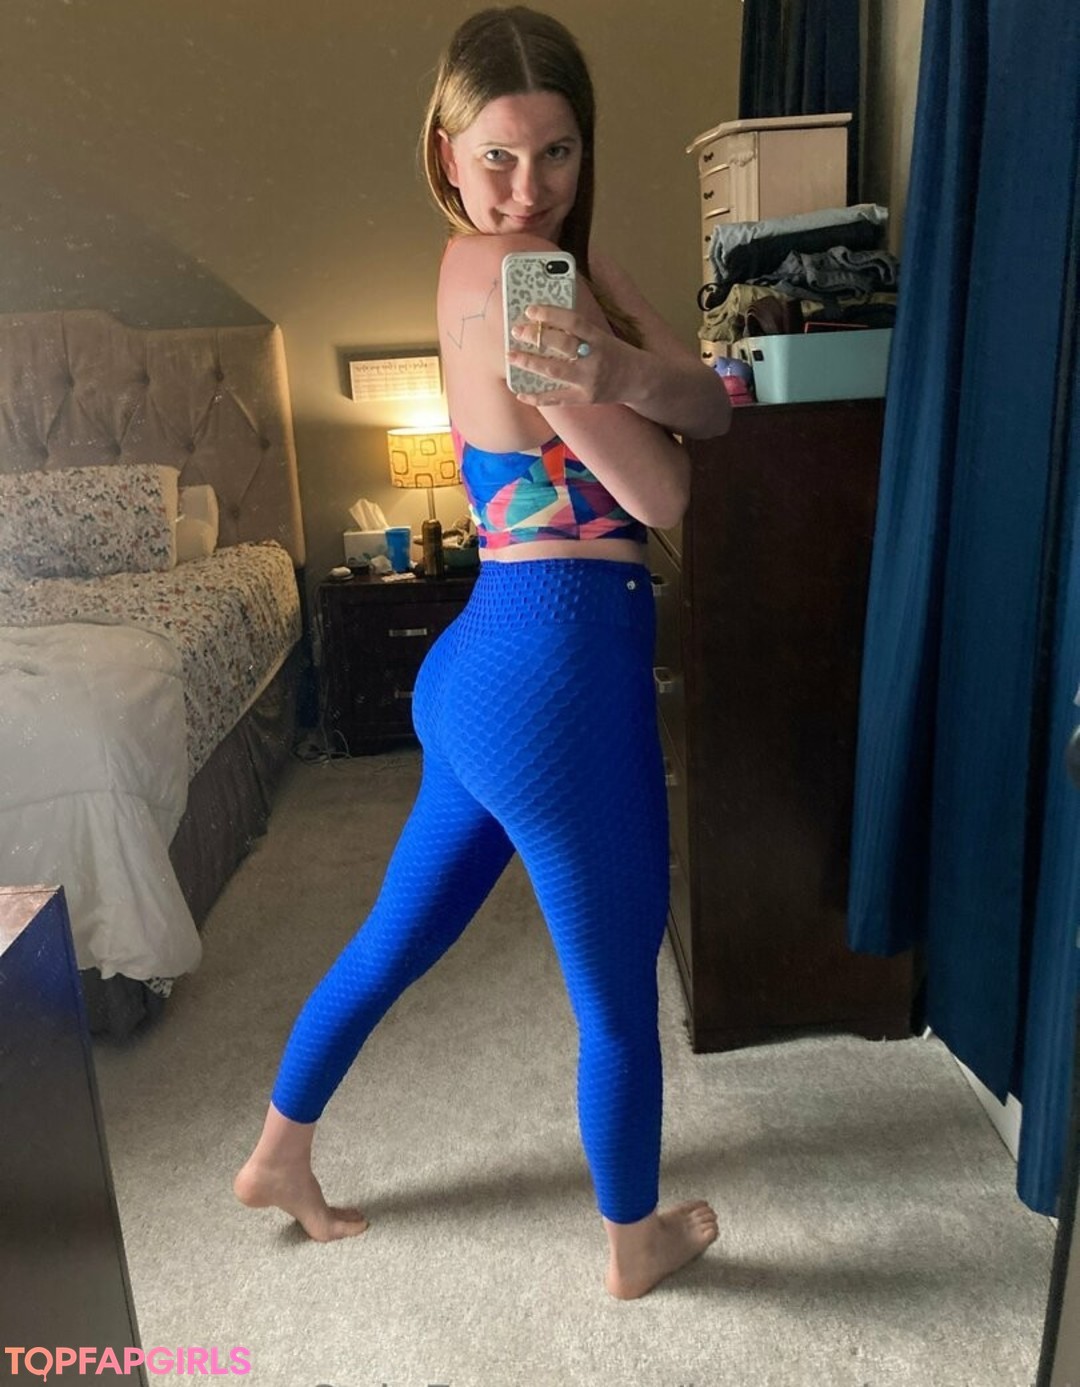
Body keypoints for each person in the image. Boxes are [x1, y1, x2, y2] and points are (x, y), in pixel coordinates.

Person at [235, 5, 732, 1300]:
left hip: (486, 668)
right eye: (498, 157)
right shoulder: (532, 279)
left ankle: (278, 1154)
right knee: (617, 994)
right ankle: (634, 1242)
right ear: (445, 153)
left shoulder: (511, 260)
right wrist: (628, 376)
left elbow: (704, 398)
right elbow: (671, 487)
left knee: (394, 940)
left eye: (556, 152)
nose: (527, 188)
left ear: (584, 146)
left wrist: (632, 370)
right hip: (562, 671)